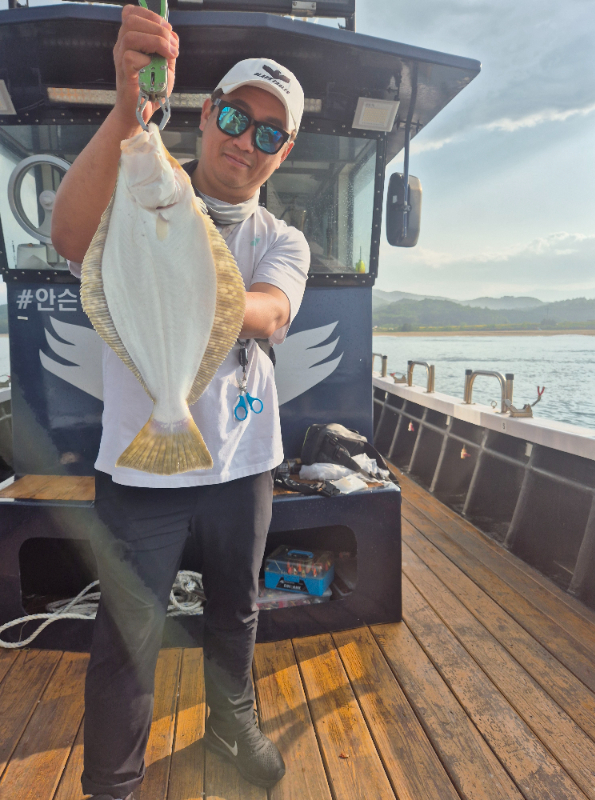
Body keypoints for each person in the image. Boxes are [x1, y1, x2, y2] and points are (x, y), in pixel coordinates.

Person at [51, 5, 310, 799]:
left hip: (243, 464)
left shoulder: (282, 239)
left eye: (270, 132)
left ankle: (232, 725)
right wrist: (128, 108)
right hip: (142, 468)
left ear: (284, 152)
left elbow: (273, 312)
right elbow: (71, 238)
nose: (246, 139)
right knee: (128, 635)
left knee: (237, 612)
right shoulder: (139, 200)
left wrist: (197, 293)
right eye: (235, 117)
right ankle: (112, 784)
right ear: (206, 113)